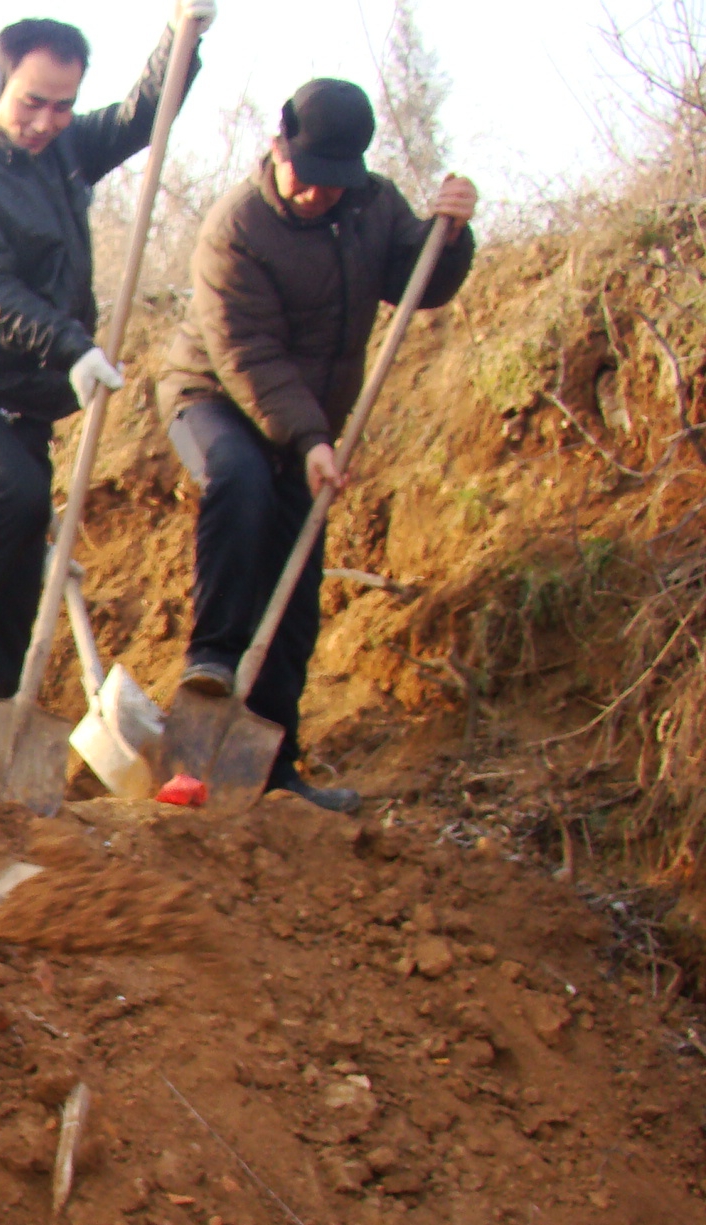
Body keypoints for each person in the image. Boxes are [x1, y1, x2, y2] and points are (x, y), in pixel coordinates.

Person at [157, 79, 476, 812]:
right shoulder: (236, 226)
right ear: (278, 147)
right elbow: (249, 356)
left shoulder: (372, 205)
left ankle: (274, 774)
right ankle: (209, 661)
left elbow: (418, 281)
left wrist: (448, 237)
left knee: (296, 593)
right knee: (238, 478)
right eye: (306, 177)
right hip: (215, 396)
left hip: (308, 426)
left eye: (334, 184)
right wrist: (308, 438)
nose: (315, 196)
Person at [0, 5, 212, 695]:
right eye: (32, 103)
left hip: (26, 399)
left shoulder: (62, 151)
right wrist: (71, 346)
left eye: (63, 107)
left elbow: (142, 114)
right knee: (12, 491)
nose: (46, 121)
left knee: (20, 569)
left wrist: (183, 35)